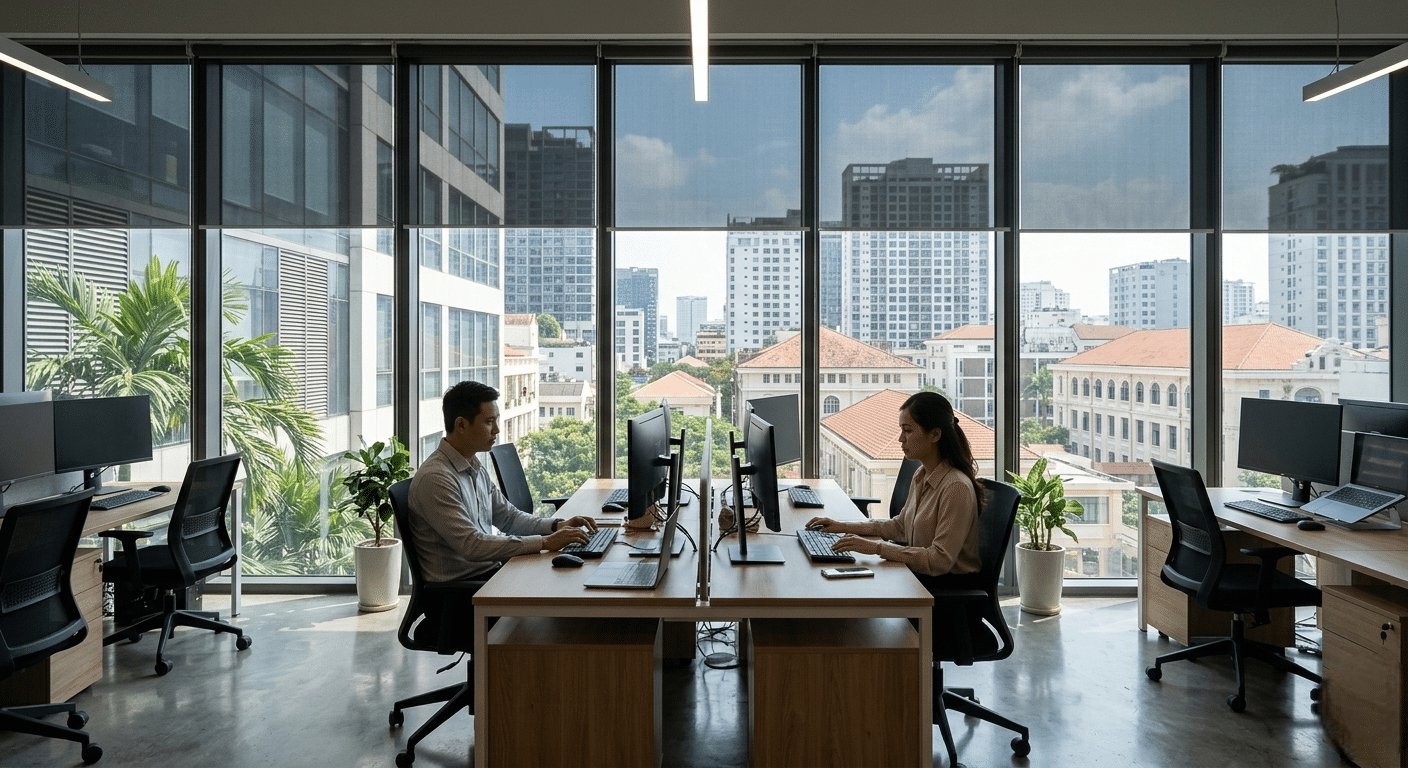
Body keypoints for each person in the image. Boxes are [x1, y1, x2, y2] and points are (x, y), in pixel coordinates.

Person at [407, 380, 596, 583]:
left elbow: (508, 518)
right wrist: (545, 542)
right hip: (462, 592)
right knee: (569, 586)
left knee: (577, 576)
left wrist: (556, 526)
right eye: (489, 422)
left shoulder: (475, 466)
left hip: (491, 572)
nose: (496, 429)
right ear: (461, 424)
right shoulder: (436, 478)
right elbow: (471, 545)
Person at [806, 391, 983, 578]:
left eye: (907, 430)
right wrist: (842, 526)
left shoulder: (956, 487)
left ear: (935, 434)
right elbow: (900, 527)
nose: (901, 438)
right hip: (917, 576)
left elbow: (939, 561)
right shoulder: (922, 474)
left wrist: (876, 548)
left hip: (942, 588)